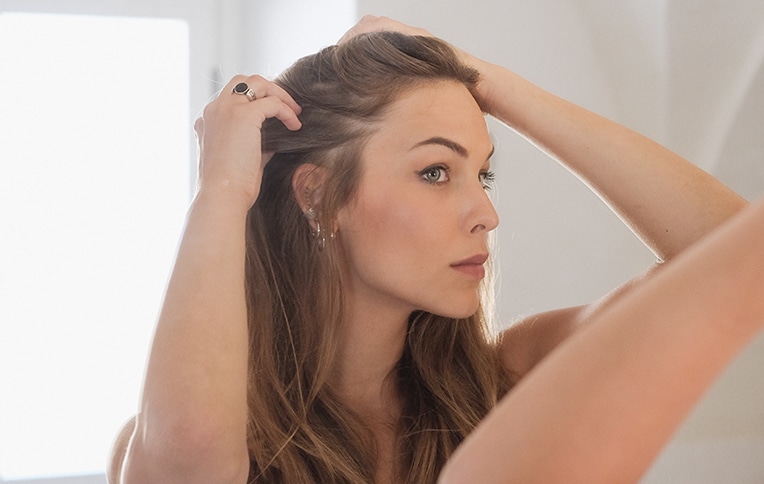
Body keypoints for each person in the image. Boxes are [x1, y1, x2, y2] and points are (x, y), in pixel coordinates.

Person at [108, 15, 764, 484]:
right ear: (318, 196)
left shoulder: (510, 380)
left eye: (483, 174)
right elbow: (192, 456)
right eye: (435, 173)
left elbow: (735, 254)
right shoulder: (205, 426)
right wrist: (222, 188)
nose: (486, 213)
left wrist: (491, 81)